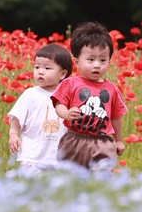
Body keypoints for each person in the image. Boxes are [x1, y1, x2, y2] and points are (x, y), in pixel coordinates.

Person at [51, 21, 128, 171]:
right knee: (70, 177)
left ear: (109, 62)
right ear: (77, 62)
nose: (97, 65)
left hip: (103, 143)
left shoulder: (112, 89)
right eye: (91, 59)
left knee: (103, 177)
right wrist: (66, 114)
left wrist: (118, 141)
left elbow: (116, 116)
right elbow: (58, 104)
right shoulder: (70, 83)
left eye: (102, 60)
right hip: (74, 140)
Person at [8, 43, 73, 172]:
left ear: (62, 74)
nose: (40, 71)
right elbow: (16, 119)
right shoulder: (30, 94)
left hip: (59, 158)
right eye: (37, 67)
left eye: (47, 68)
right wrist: (13, 135)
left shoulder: (68, 97)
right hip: (32, 157)